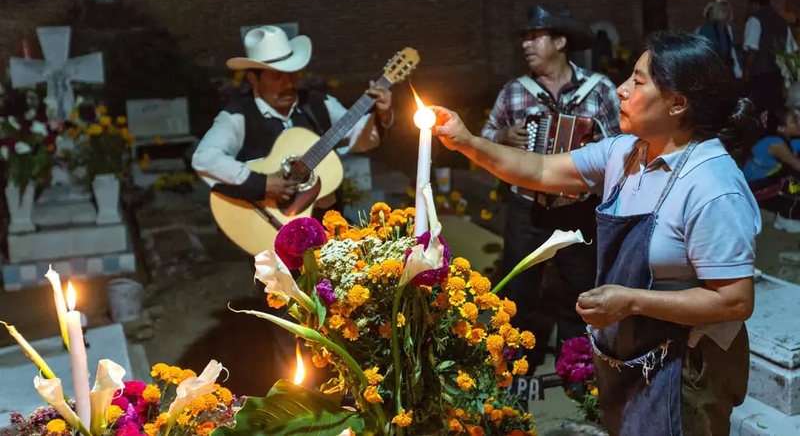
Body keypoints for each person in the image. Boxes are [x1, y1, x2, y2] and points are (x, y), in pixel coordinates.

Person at [432, 31, 761, 435]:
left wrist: (631, 301)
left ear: (678, 103)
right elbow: (539, 170)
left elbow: (733, 301)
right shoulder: (625, 152)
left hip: (688, 372)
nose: (621, 90)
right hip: (632, 358)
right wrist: (466, 142)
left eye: (638, 82)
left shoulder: (713, 186)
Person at [481, 4, 620, 369]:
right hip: (526, 208)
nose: (526, 44)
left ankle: (574, 367)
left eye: (534, 36)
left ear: (560, 41)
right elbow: (483, 140)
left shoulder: (599, 89)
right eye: (524, 38)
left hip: (579, 209)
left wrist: (597, 152)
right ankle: (515, 365)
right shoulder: (514, 92)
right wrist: (502, 137)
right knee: (518, 290)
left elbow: (622, 144)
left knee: (580, 290)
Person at [192, 25, 393, 216]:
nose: (287, 84)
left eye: (292, 74)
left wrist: (381, 115)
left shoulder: (319, 104)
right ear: (254, 79)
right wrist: (261, 183)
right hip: (268, 226)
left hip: (324, 221)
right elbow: (205, 158)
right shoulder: (237, 116)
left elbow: (359, 137)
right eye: (277, 77)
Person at [744, 87, 800, 232]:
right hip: (756, 187)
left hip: (770, 179)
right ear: (781, 128)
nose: (799, 121)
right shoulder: (776, 145)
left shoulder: (786, 139)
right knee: (795, 183)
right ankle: (784, 219)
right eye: (794, 120)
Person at [743, 0, 798, 113]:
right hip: (777, 75)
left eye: (749, 4)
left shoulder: (755, 20)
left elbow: (752, 49)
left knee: (757, 111)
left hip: (760, 75)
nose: (748, 8)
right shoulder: (782, 22)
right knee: (774, 113)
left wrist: (746, 74)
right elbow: (790, 52)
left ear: (755, 3)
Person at [695, 0, 742, 79]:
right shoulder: (704, 30)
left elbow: (731, 52)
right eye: (723, 11)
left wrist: (737, 73)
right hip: (712, 73)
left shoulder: (727, 29)